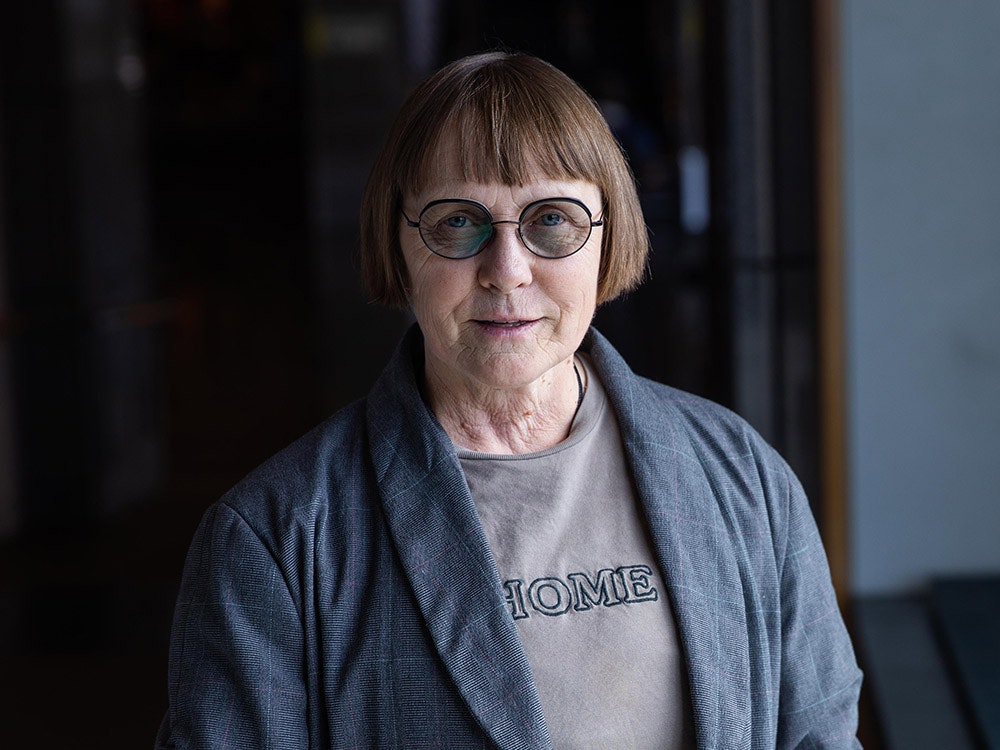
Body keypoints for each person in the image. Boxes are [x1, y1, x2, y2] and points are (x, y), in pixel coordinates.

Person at [155, 51, 863, 749]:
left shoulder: (739, 472)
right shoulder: (278, 537)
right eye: (457, 222)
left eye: (552, 219)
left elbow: (819, 734)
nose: (507, 270)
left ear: (607, 233)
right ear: (396, 242)